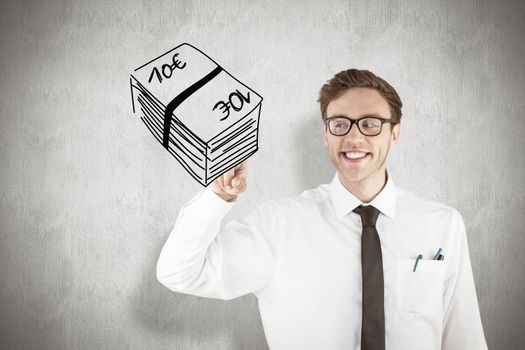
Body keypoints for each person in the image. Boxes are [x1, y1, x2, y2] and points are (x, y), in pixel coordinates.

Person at [156, 69, 488, 350]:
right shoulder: (279, 225)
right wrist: (218, 196)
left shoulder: (441, 224)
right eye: (340, 124)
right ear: (325, 134)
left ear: (394, 133)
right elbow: (179, 272)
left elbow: (463, 337)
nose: (354, 138)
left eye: (370, 124)